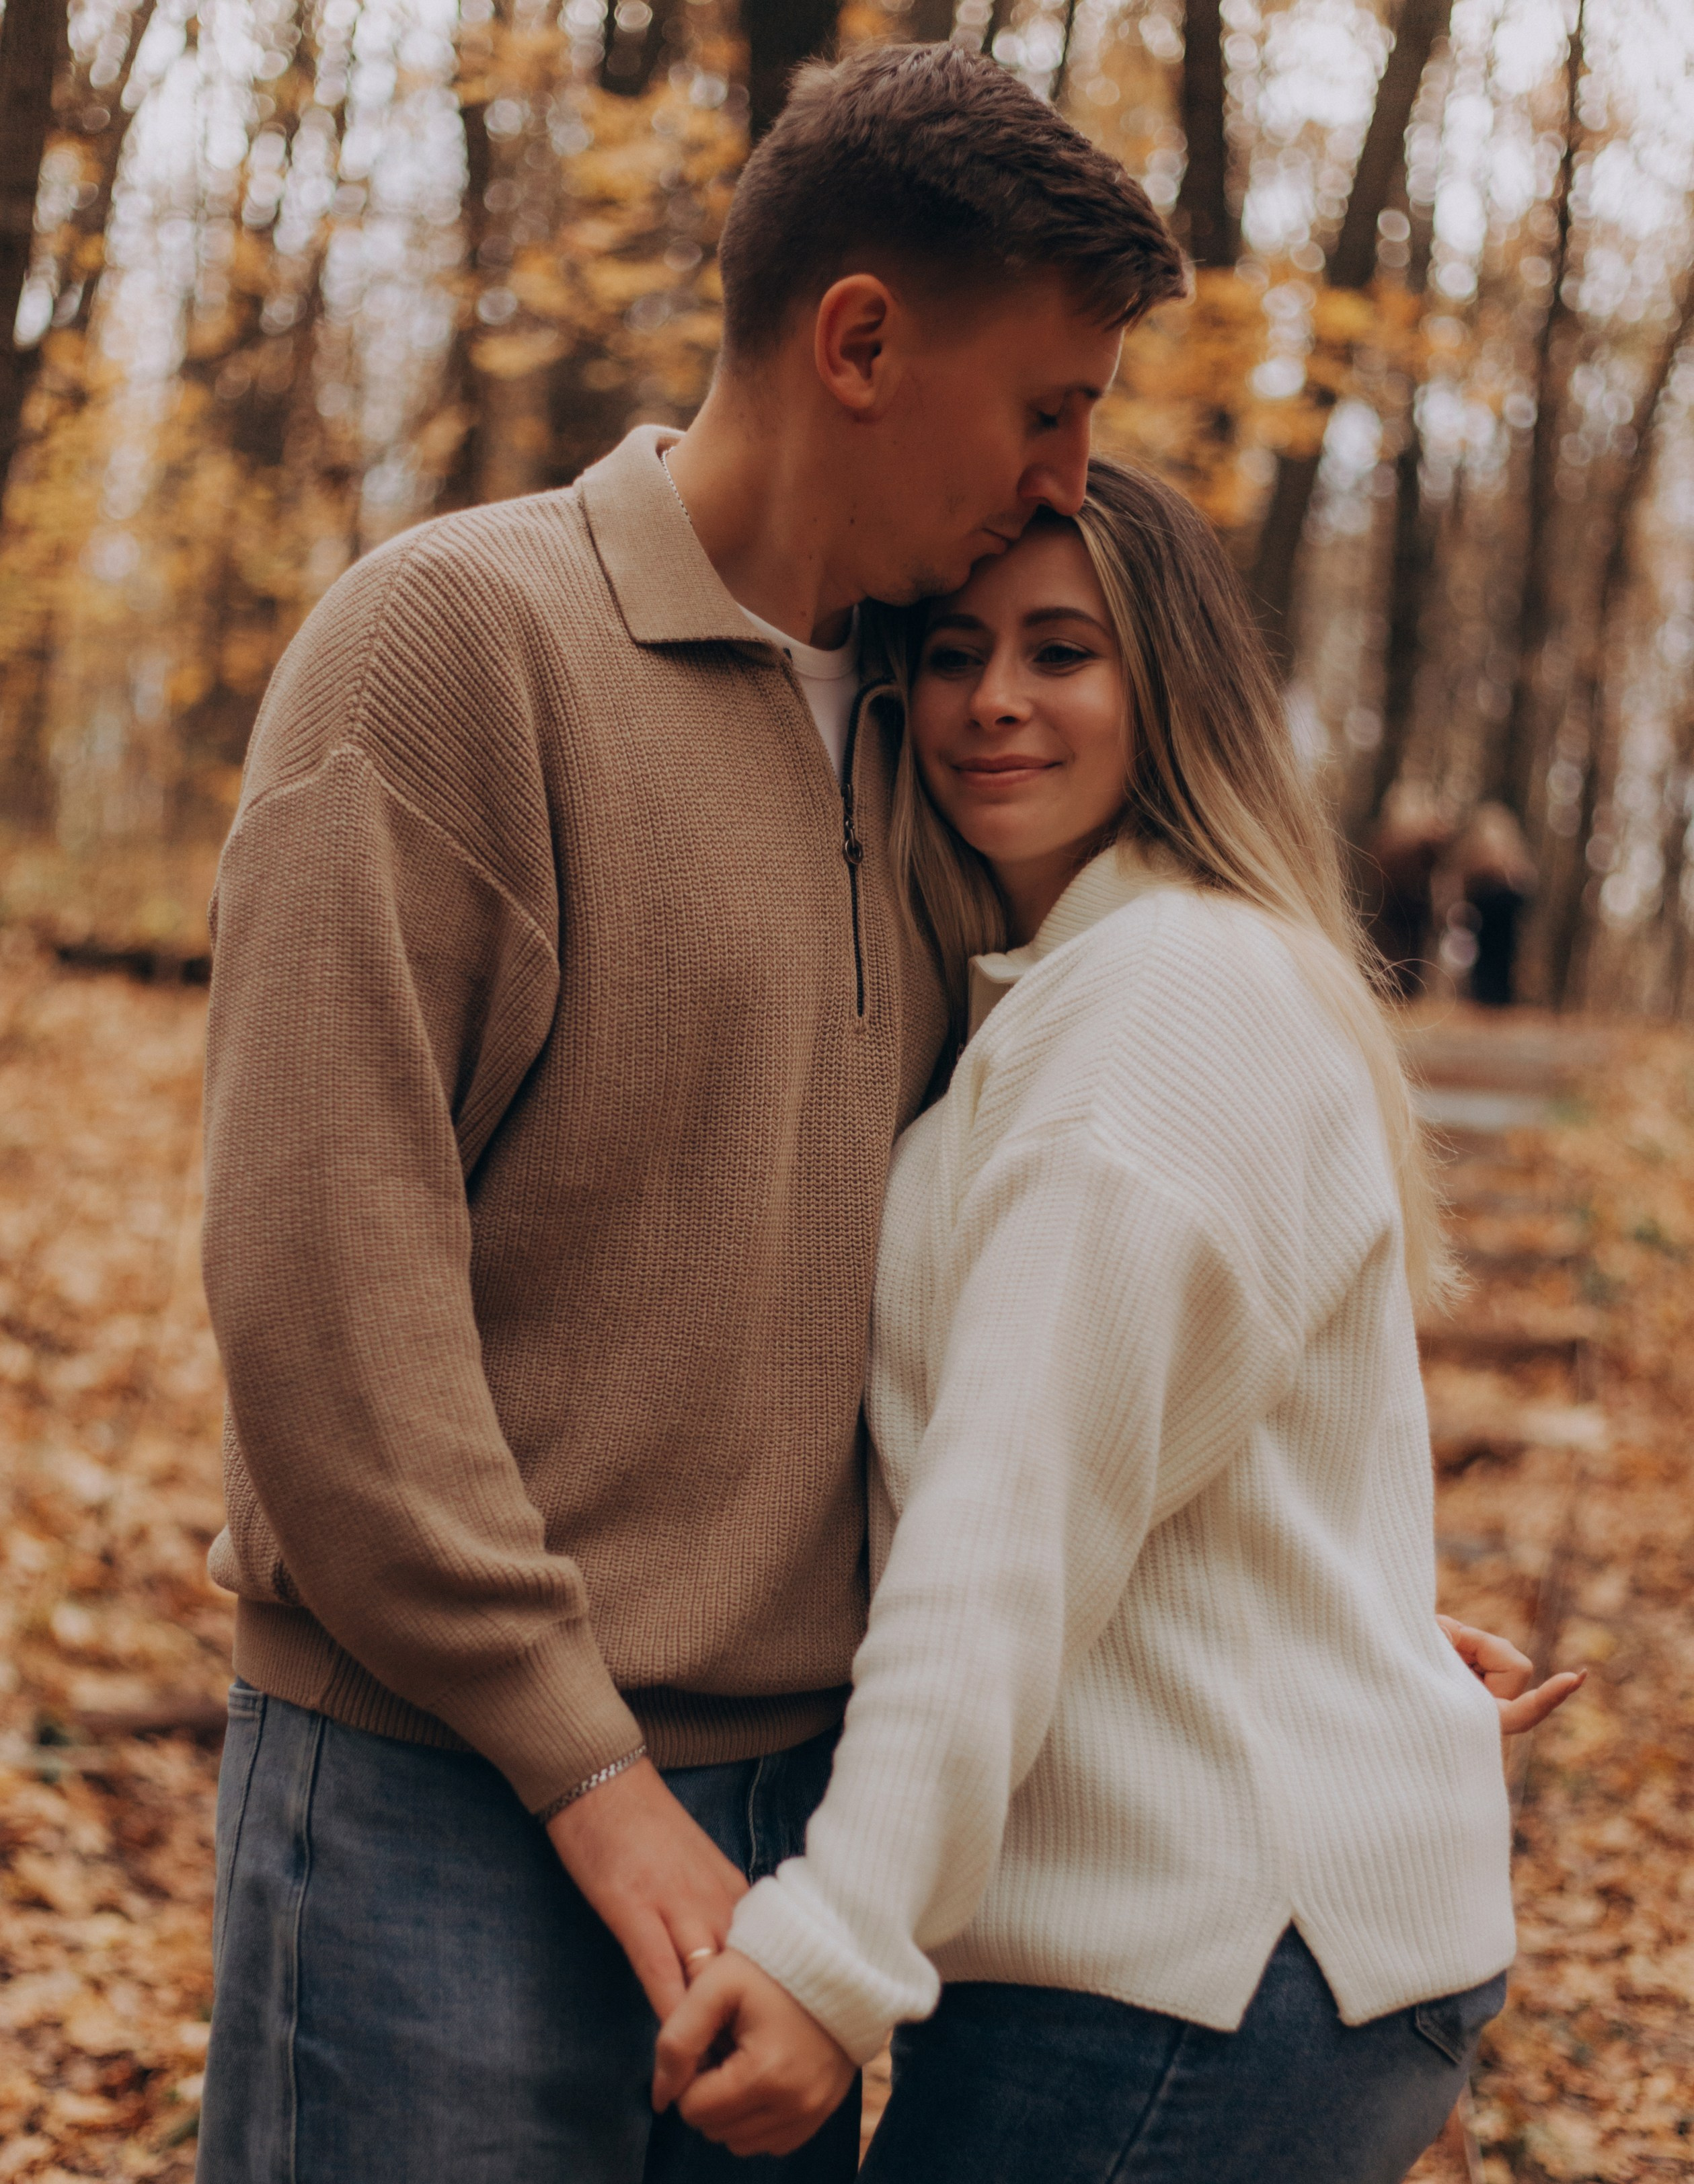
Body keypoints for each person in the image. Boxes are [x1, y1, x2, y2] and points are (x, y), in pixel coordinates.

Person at [192, 44, 1188, 2184]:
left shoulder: (956, 737)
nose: (1073, 474)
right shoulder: (452, 652)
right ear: (857, 341)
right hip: (434, 1799)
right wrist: (584, 1766)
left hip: (797, 1827)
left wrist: (1282, 1589)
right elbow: (324, 1292)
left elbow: (1034, 1265)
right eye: (1049, 404)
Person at [653, 461, 1584, 2183]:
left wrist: (837, 1945)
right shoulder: (1121, 984)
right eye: (949, 652)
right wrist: (1343, 1636)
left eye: (1062, 650)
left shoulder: (1155, 1006)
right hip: (1228, 1943)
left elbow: (1010, 1520)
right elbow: (1186, 1437)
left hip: (1189, 1972)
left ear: (1172, 688)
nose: (994, 699)